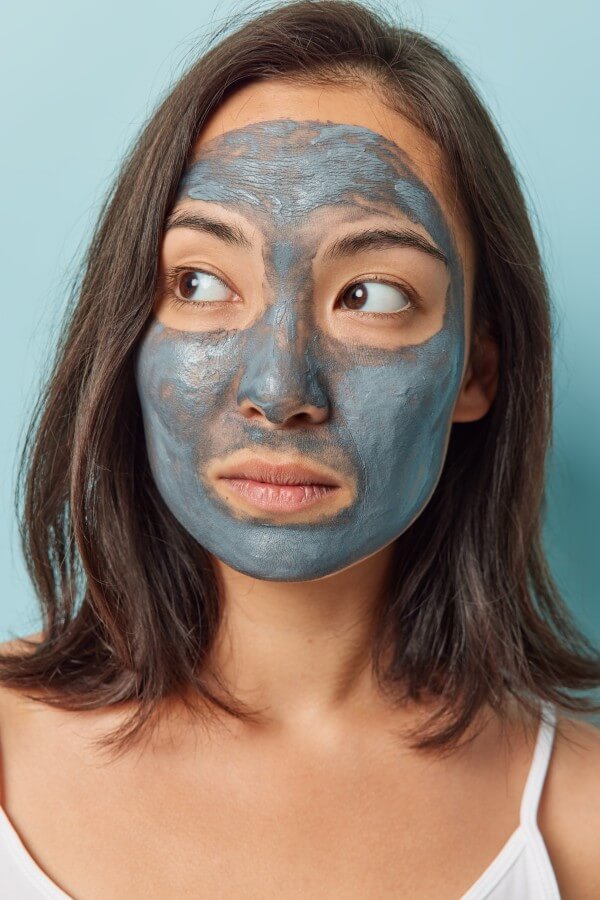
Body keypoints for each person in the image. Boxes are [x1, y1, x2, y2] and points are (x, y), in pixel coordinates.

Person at [0, 0, 598, 897]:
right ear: (127, 334)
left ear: (477, 371)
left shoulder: (579, 819)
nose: (279, 392)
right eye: (201, 281)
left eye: (373, 294)